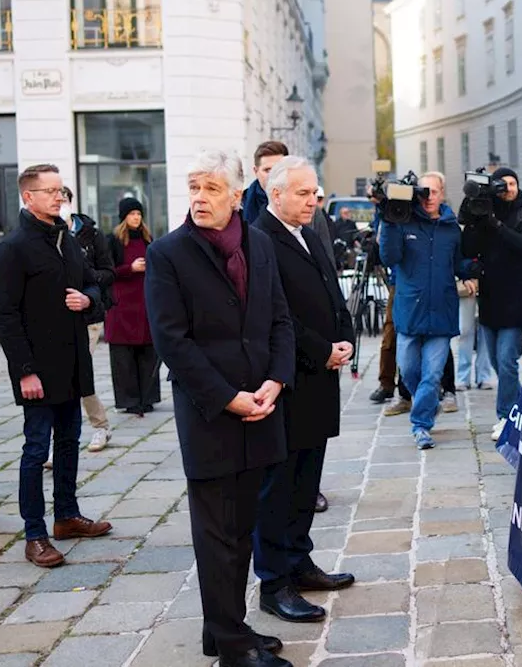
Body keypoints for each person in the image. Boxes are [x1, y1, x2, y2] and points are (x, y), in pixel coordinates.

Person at [145, 149, 294, 667]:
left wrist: (276, 379)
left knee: (243, 525)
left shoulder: (257, 243)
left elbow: (279, 318)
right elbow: (172, 341)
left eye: (210, 188)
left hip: (262, 405)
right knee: (216, 534)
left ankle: (226, 627)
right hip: (211, 413)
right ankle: (232, 646)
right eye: (193, 187)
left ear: (236, 195)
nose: (199, 197)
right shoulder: (169, 253)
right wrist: (227, 397)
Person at [251, 156, 357, 624]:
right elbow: (274, 315)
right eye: (303, 192)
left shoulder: (308, 233)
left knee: (307, 481)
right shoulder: (260, 239)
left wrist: (347, 335)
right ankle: (274, 582)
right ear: (276, 194)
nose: (313, 200)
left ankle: (299, 561)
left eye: (314, 192)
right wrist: (320, 350)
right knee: (280, 486)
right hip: (289, 381)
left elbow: (331, 293)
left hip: (319, 380)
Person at [0, 164, 113, 568]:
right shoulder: (13, 247)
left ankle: (66, 517)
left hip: (73, 360)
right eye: (51, 191)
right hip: (37, 369)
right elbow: (5, 315)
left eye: (62, 191)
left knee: (69, 442)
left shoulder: (67, 239)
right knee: (35, 449)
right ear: (29, 197)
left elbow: (94, 281)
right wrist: (25, 370)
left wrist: (89, 300)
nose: (60, 197)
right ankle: (35, 534)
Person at [377, 172, 472, 449]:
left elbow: (459, 263)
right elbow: (389, 257)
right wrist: (390, 220)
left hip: (441, 312)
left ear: (442, 193)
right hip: (410, 312)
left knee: (432, 374)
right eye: (424, 192)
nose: (429, 197)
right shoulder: (403, 221)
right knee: (408, 371)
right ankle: (428, 403)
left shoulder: (451, 227)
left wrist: (472, 270)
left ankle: (421, 426)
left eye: (434, 191)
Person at [460, 167, 522, 442]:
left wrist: (496, 225)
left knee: (507, 360)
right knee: (496, 360)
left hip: (518, 298)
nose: (508, 189)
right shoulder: (486, 211)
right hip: (491, 298)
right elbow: (469, 247)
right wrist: (473, 213)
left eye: (512, 183)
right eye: (503, 184)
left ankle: (507, 417)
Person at [62, 188, 115, 452]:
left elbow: (108, 272)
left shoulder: (91, 235)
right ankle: (60, 437)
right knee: (60, 375)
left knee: (79, 370)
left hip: (88, 316)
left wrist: (84, 280)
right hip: (54, 318)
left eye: (62, 198)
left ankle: (99, 426)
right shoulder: (42, 237)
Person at [106, 197, 160, 415]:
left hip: (145, 303)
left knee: (148, 352)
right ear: (123, 217)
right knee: (123, 356)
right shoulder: (113, 241)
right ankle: (129, 400)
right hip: (122, 305)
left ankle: (148, 398)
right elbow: (108, 270)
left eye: (138, 214)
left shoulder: (149, 240)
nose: (136, 218)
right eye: (132, 214)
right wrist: (130, 268)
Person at [241, 140, 289, 225]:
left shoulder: (305, 205)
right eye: (267, 170)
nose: (273, 175)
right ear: (256, 171)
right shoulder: (239, 205)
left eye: (278, 169)